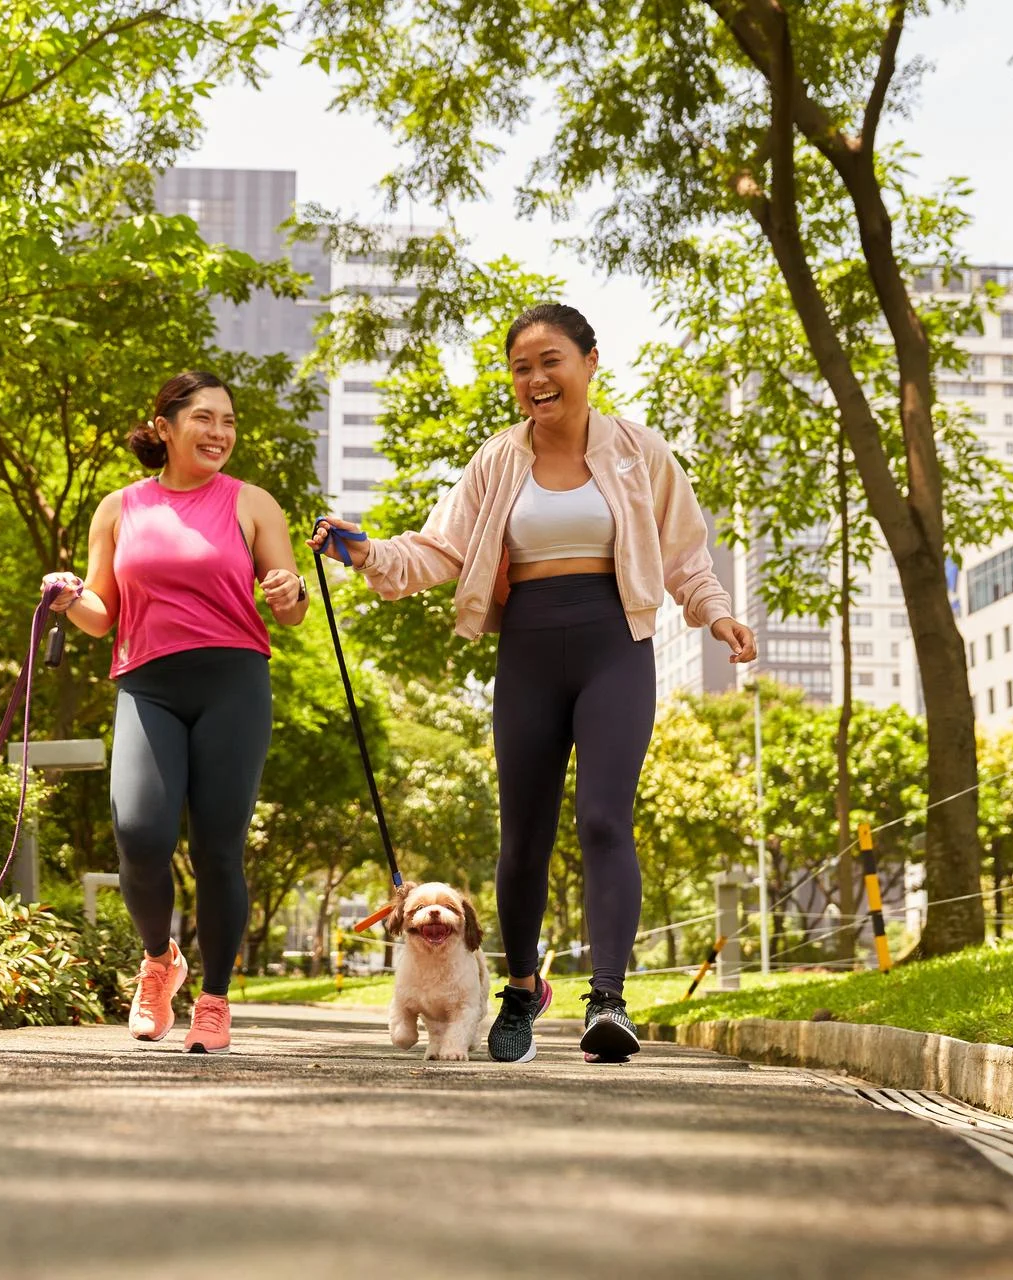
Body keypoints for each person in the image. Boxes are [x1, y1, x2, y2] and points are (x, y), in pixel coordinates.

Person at [310, 304, 757, 1064]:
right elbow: (439, 548)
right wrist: (366, 553)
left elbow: (686, 554)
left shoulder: (641, 453)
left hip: (615, 642)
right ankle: (521, 988)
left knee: (605, 821)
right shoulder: (497, 460)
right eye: (521, 367)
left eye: (551, 360)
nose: (536, 378)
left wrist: (715, 616)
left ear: (589, 363)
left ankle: (608, 1000)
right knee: (523, 840)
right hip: (527, 649)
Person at [43, 371, 309, 1054]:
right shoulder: (119, 508)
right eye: (204, 418)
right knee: (139, 833)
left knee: (219, 849)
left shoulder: (253, 504)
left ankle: (214, 1000)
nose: (220, 432)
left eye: (228, 420)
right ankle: (159, 962)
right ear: (164, 426)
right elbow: (104, 617)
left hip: (233, 683)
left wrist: (287, 589)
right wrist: (71, 597)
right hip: (147, 684)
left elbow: (292, 609)